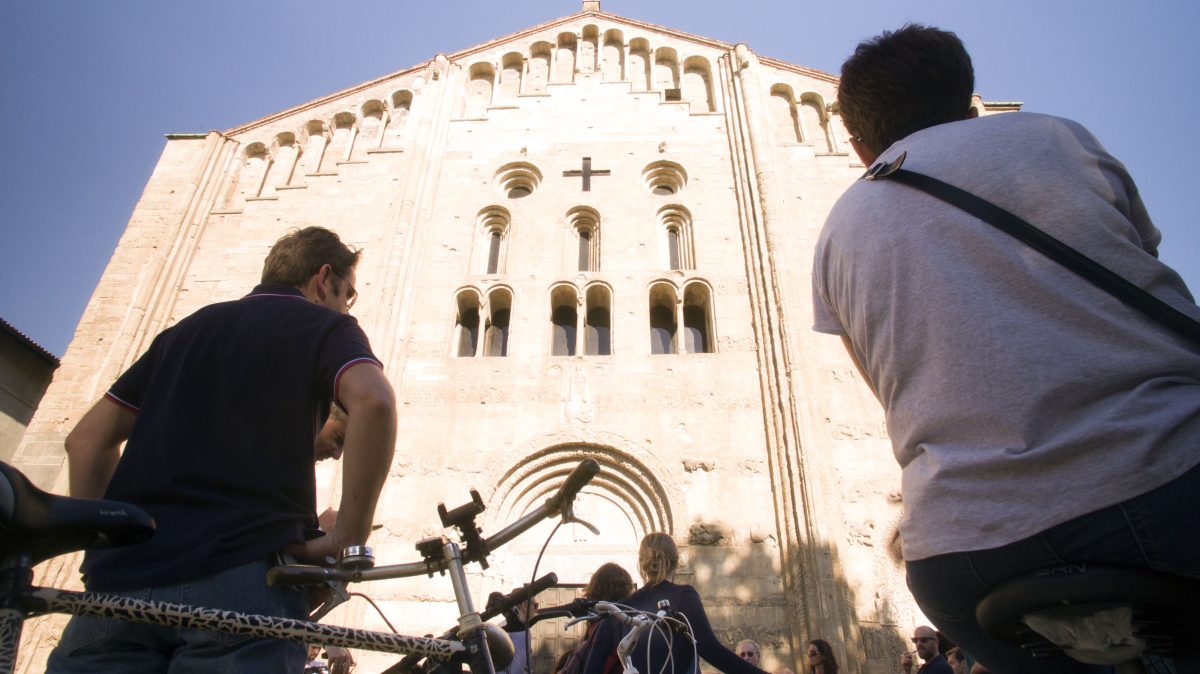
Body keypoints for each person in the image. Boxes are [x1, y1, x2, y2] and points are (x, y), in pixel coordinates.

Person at [812, 24, 1200, 674]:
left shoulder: (835, 236)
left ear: (857, 144)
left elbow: (886, 389)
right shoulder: (1057, 137)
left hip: (962, 559)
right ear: (969, 98)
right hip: (1161, 481)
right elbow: (1143, 266)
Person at [47, 226, 398, 673]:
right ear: (323, 278)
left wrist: (103, 549)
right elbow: (375, 401)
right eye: (347, 293)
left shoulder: (181, 333)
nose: (346, 304)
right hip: (241, 579)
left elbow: (86, 440)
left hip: (119, 590)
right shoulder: (325, 326)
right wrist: (349, 538)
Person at [582, 533, 769, 674]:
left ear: (641, 563)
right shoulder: (684, 597)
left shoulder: (619, 611)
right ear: (676, 561)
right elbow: (712, 651)